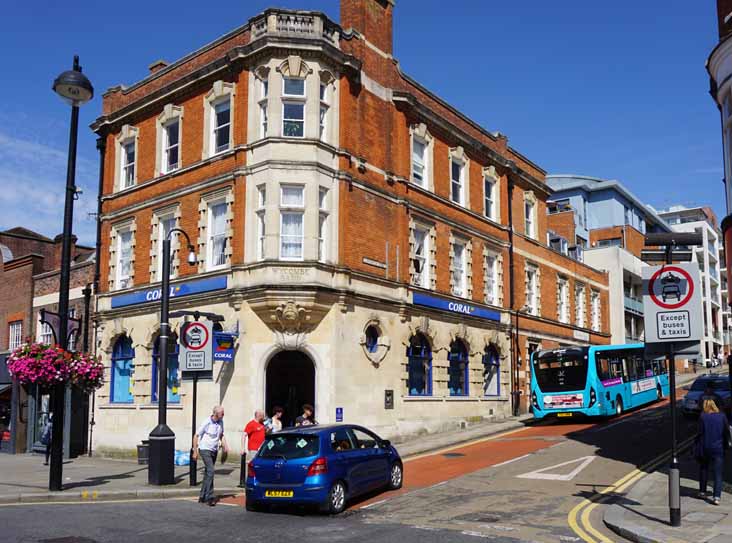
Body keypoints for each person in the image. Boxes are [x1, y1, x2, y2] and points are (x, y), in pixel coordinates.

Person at [696, 399, 731, 505]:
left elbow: (699, 433)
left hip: (705, 447)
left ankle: (702, 492)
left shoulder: (702, 416)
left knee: (704, 469)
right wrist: (726, 444)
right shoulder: (722, 416)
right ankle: (716, 497)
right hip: (718, 448)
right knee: (718, 473)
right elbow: (726, 432)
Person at [193, 405, 229, 506]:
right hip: (205, 449)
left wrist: (225, 445)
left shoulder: (221, 422)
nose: (224, 415)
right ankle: (210, 496)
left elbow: (221, 435)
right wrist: (195, 451)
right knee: (211, 471)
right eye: (222, 413)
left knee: (208, 474)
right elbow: (196, 436)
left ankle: (202, 496)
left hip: (214, 450)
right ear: (216, 414)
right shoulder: (207, 422)